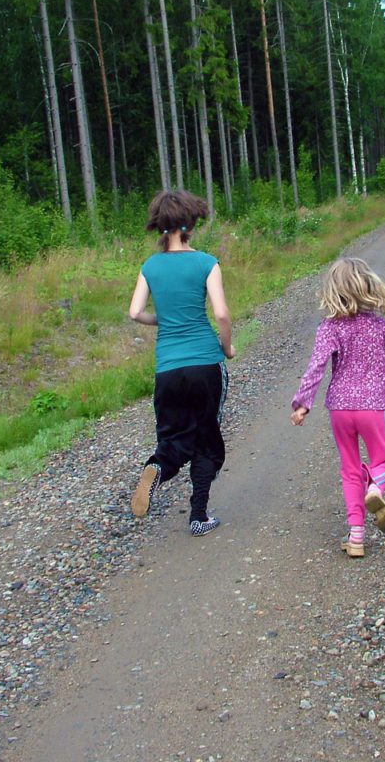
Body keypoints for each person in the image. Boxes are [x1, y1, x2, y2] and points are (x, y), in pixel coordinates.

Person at [128, 190, 235, 536]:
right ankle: (198, 515)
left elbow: (134, 312)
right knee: (206, 437)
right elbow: (220, 313)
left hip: (168, 368)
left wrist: (164, 320)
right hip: (205, 362)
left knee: (173, 437)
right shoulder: (206, 262)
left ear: (160, 227)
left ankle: (157, 467)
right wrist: (227, 347)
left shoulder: (150, 266)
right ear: (191, 225)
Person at [291, 258, 385, 558]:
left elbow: (315, 367)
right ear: (368, 286)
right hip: (373, 407)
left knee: (350, 470)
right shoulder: (379, 325)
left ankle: (356, 538)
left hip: (340, 408)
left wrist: (303, 404)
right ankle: (376, 489)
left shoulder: (329, 327)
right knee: (383, 463)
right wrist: (383, 386)